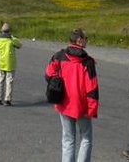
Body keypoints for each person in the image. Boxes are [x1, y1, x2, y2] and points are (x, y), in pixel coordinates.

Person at [45, 28, 99, 162]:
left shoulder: (59, 56)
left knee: (68, 139)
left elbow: (48, 75)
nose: (87, 41)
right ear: (79, 40)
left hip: (63, 103)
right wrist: (92, 109)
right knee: (86, 137)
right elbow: (92, 88)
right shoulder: (87, 62)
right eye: (86, 38)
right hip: (82, 106)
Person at [0, 23, 22, 106]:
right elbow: (19, 45)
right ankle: (7, 100)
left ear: (1, 30)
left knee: (0, 80)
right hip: (10, 63)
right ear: (9, 31)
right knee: (9, 81)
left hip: (1, 62)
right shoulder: (11, 39)